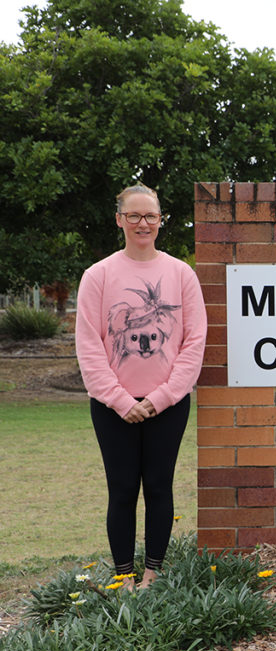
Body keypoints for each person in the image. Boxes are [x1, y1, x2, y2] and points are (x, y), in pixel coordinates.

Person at [76, 183, 207, 590]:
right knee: (122, 488)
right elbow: (89, 345)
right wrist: (119, 400)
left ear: (161, 220)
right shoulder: (98, 275)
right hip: (112, 407)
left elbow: (194, 341)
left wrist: (161, 398)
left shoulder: (181, 273)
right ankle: (123, 577)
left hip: (168, 405)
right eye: (133, 215)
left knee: (158, 485)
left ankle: (153, 572)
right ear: (119, 220)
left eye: (150, 215)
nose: (142, 223)